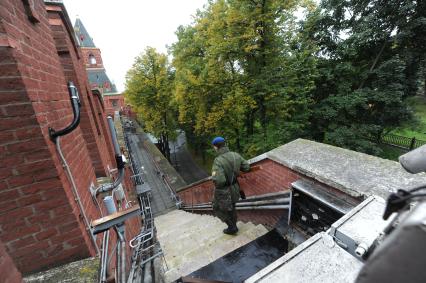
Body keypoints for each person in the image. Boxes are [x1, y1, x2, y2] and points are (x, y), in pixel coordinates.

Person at [211, 136, 250, 235]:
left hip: (224, 192)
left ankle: (232, 227)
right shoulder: (235, 155)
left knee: (217, 208)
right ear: (225, 144)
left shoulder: (218, 161)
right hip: (235, 188)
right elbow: (246, 167)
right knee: (232, 207)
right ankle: (234, 226)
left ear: (216, 147)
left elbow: (219, 181)